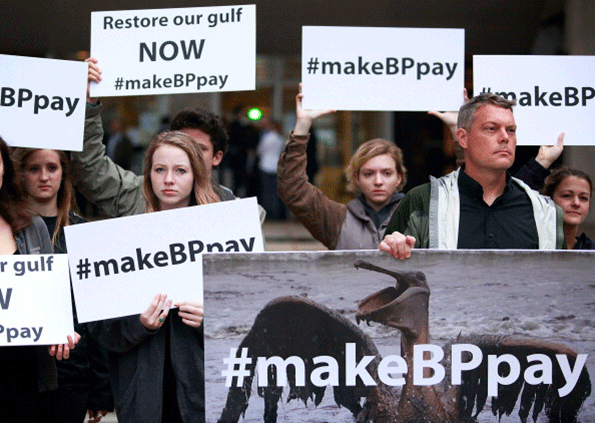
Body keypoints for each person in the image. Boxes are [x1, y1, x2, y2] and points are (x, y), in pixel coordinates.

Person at [88, 131, 216, 423]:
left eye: (180, 170)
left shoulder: (221, 234)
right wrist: (139, 325)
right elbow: (100, 329)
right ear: (148, 175)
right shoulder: (121, 239)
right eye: (160, 170)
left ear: (196, 175)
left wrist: (210, 319)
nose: (169, 179)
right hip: (143, 398)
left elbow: (246, 326)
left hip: (203, 395)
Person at [75, 58, 264, 221]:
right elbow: (90, 168)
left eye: (198, 149)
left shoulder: (231, 212)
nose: (169, 179)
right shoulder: (135, 195)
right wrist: (88, 105)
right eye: (159, 169)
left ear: (217, 156)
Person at [380, 93, 565, 259]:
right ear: (463, 138)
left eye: (511, 130)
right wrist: (395, 248)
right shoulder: (424, 201)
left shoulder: (546, 212)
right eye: (491, 128)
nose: (505, 137)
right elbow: (391, 281)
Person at [12, 147, 113, 423]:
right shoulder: (8, 232)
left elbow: (96, 318)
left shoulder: (83, 234)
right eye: (34, 169)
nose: (44, 176)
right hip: (20, 373)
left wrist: (101, 389)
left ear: (63, 173)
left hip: (73, 374)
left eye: (52, 168)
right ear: (19, 174)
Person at [0, 137, 77, 422]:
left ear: (5, 169)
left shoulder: (32, 227)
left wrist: (60, 332)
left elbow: (51, 306)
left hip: (28, 380)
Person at [277, 84, 407, 249]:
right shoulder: (337, 218)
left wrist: (452, 132)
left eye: (387, 173)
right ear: (357, 179)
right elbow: (293, 189)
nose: (378, 181)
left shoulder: (417, 217)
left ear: (399, 178)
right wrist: (303, 125)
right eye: (368, 174)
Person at [542, 165, 593, 249]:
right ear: (549, 198)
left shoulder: (590, 249)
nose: (576, 203)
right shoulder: (534, 246)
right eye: (567, 195)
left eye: (583, 198)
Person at [257, 117, 286, 220]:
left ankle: (268, 213)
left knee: (266, 192)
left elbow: (260, 150)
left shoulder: (267, 138)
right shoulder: (280, 138)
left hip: (266, 166)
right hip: (276, 167)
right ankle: (276, 214)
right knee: (275, 192)